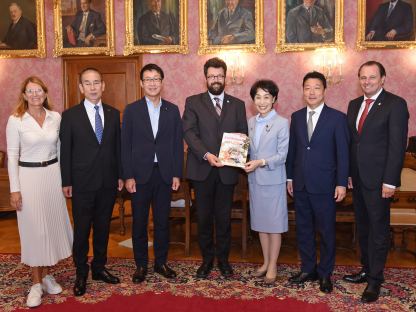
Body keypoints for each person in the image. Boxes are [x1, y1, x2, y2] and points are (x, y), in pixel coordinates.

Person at [343, 61, 409, 303]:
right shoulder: (354, 105)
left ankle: (375, 280)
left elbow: (397, 146)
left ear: (383, 78)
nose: (367, 81)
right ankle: (366, 269)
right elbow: (353, 143)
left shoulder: (395, 104)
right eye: (363, 77)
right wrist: (349, 173)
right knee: (364, 227)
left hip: (380, 180)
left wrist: (391, 181)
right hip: (358, 179)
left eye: (372, 77)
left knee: (378, 230)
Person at [6, 77, 73, 308]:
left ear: (45, 93)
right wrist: (15, 190)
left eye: (39, 91)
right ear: (24, 95)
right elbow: (12, 156)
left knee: (51, 228)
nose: (35, 95)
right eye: (30, 91)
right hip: (29, 178)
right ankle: (35, 284)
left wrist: (66, 180)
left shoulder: (56, 117)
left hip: (52, 176)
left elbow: (61, 151)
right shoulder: (16, 120)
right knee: (35, 231)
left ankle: (46, 276)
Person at [60, 68, 123, 296]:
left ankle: (99, 267)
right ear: (81, 88)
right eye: (88, 83)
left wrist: (120, 175)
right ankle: (81, 271)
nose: (93, 87)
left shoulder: (114, 113)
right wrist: (66, 180)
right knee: (82, 229)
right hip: (81, 183)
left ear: (103, 85)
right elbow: (65, 151)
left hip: (107, 181)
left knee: (103, 228)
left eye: (97, 82)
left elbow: (118, 148)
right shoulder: (69, 116)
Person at [183, 57, 248, 278]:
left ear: (225, 77)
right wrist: (207, 154)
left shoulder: (237, 105)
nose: (216, 80)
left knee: (223, 219)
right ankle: (206, 260)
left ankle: (224, 260)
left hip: (227, 172)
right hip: (202, 170)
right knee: (203, 218)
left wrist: (236, 155)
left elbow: (242, 135)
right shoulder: (193, 102)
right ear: (205, 78)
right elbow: (189, 133)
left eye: (219, 76)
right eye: (211, 76)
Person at [286, 71, 349, 293]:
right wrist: (290, 177)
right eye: (307, 88)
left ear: (324, 90)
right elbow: (293, 150)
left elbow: (343, 153)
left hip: (326, 185)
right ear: (303, 91)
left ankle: (325, 273)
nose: (311, 92)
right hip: (301, 184)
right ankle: (308, 268)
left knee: (326, 231)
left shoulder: (338, 118)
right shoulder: (295, 116)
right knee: (303, 229)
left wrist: (341, 182)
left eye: (316, 88)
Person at [121, 63, 183, 283]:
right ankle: (141, 265)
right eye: (148, 79)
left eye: (156, 78)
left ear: (162, 82)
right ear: (141, 83)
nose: (152, 83)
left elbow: (177, 144)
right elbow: (125, 145)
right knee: (139, 222)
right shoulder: (132, 110)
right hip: (139, 176)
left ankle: (161, 263)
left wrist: (177, 174)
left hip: (164, 175)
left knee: (162, 222)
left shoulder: (172, 109)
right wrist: (128, 175)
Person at [244, 80, 289, 284]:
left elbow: (282, 156)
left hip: (273, 181)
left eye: (266, 97)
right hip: (254, 181)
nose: (262, 101)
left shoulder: (282, 123)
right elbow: (248, 150)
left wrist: (260, 162)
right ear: (253, 100)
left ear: (274, 100)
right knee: (261, 225)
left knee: (274, 225)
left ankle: (273, 265)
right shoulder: (251, 122)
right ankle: (265, 261)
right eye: (258, 97)